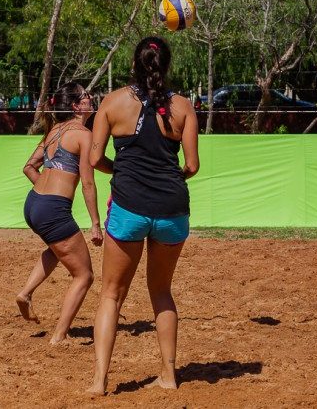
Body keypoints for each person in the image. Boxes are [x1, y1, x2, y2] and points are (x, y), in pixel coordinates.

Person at [86, 37, 199, 395]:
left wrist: (119, 170)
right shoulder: (183, 107)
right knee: (162, 292)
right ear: (166, 66)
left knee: (111, 295)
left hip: (129, 205)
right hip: (172, 209)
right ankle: (168, 376)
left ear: (133, 64)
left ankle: (100, 381)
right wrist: (168, 178)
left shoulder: (112, 102)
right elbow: (192, 166)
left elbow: (93, 159)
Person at [16, 82, 103, 345]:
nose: (91, 98)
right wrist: (96, 224)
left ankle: (26, 293)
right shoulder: (83, 135)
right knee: (84, 275)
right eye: (86, 96)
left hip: (33, 204)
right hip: (52, 209)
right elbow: (88, 183)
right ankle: (59, 336)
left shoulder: (54, 130)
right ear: (76, 106)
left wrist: (47, 190)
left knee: (57, 250)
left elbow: (29, 167)